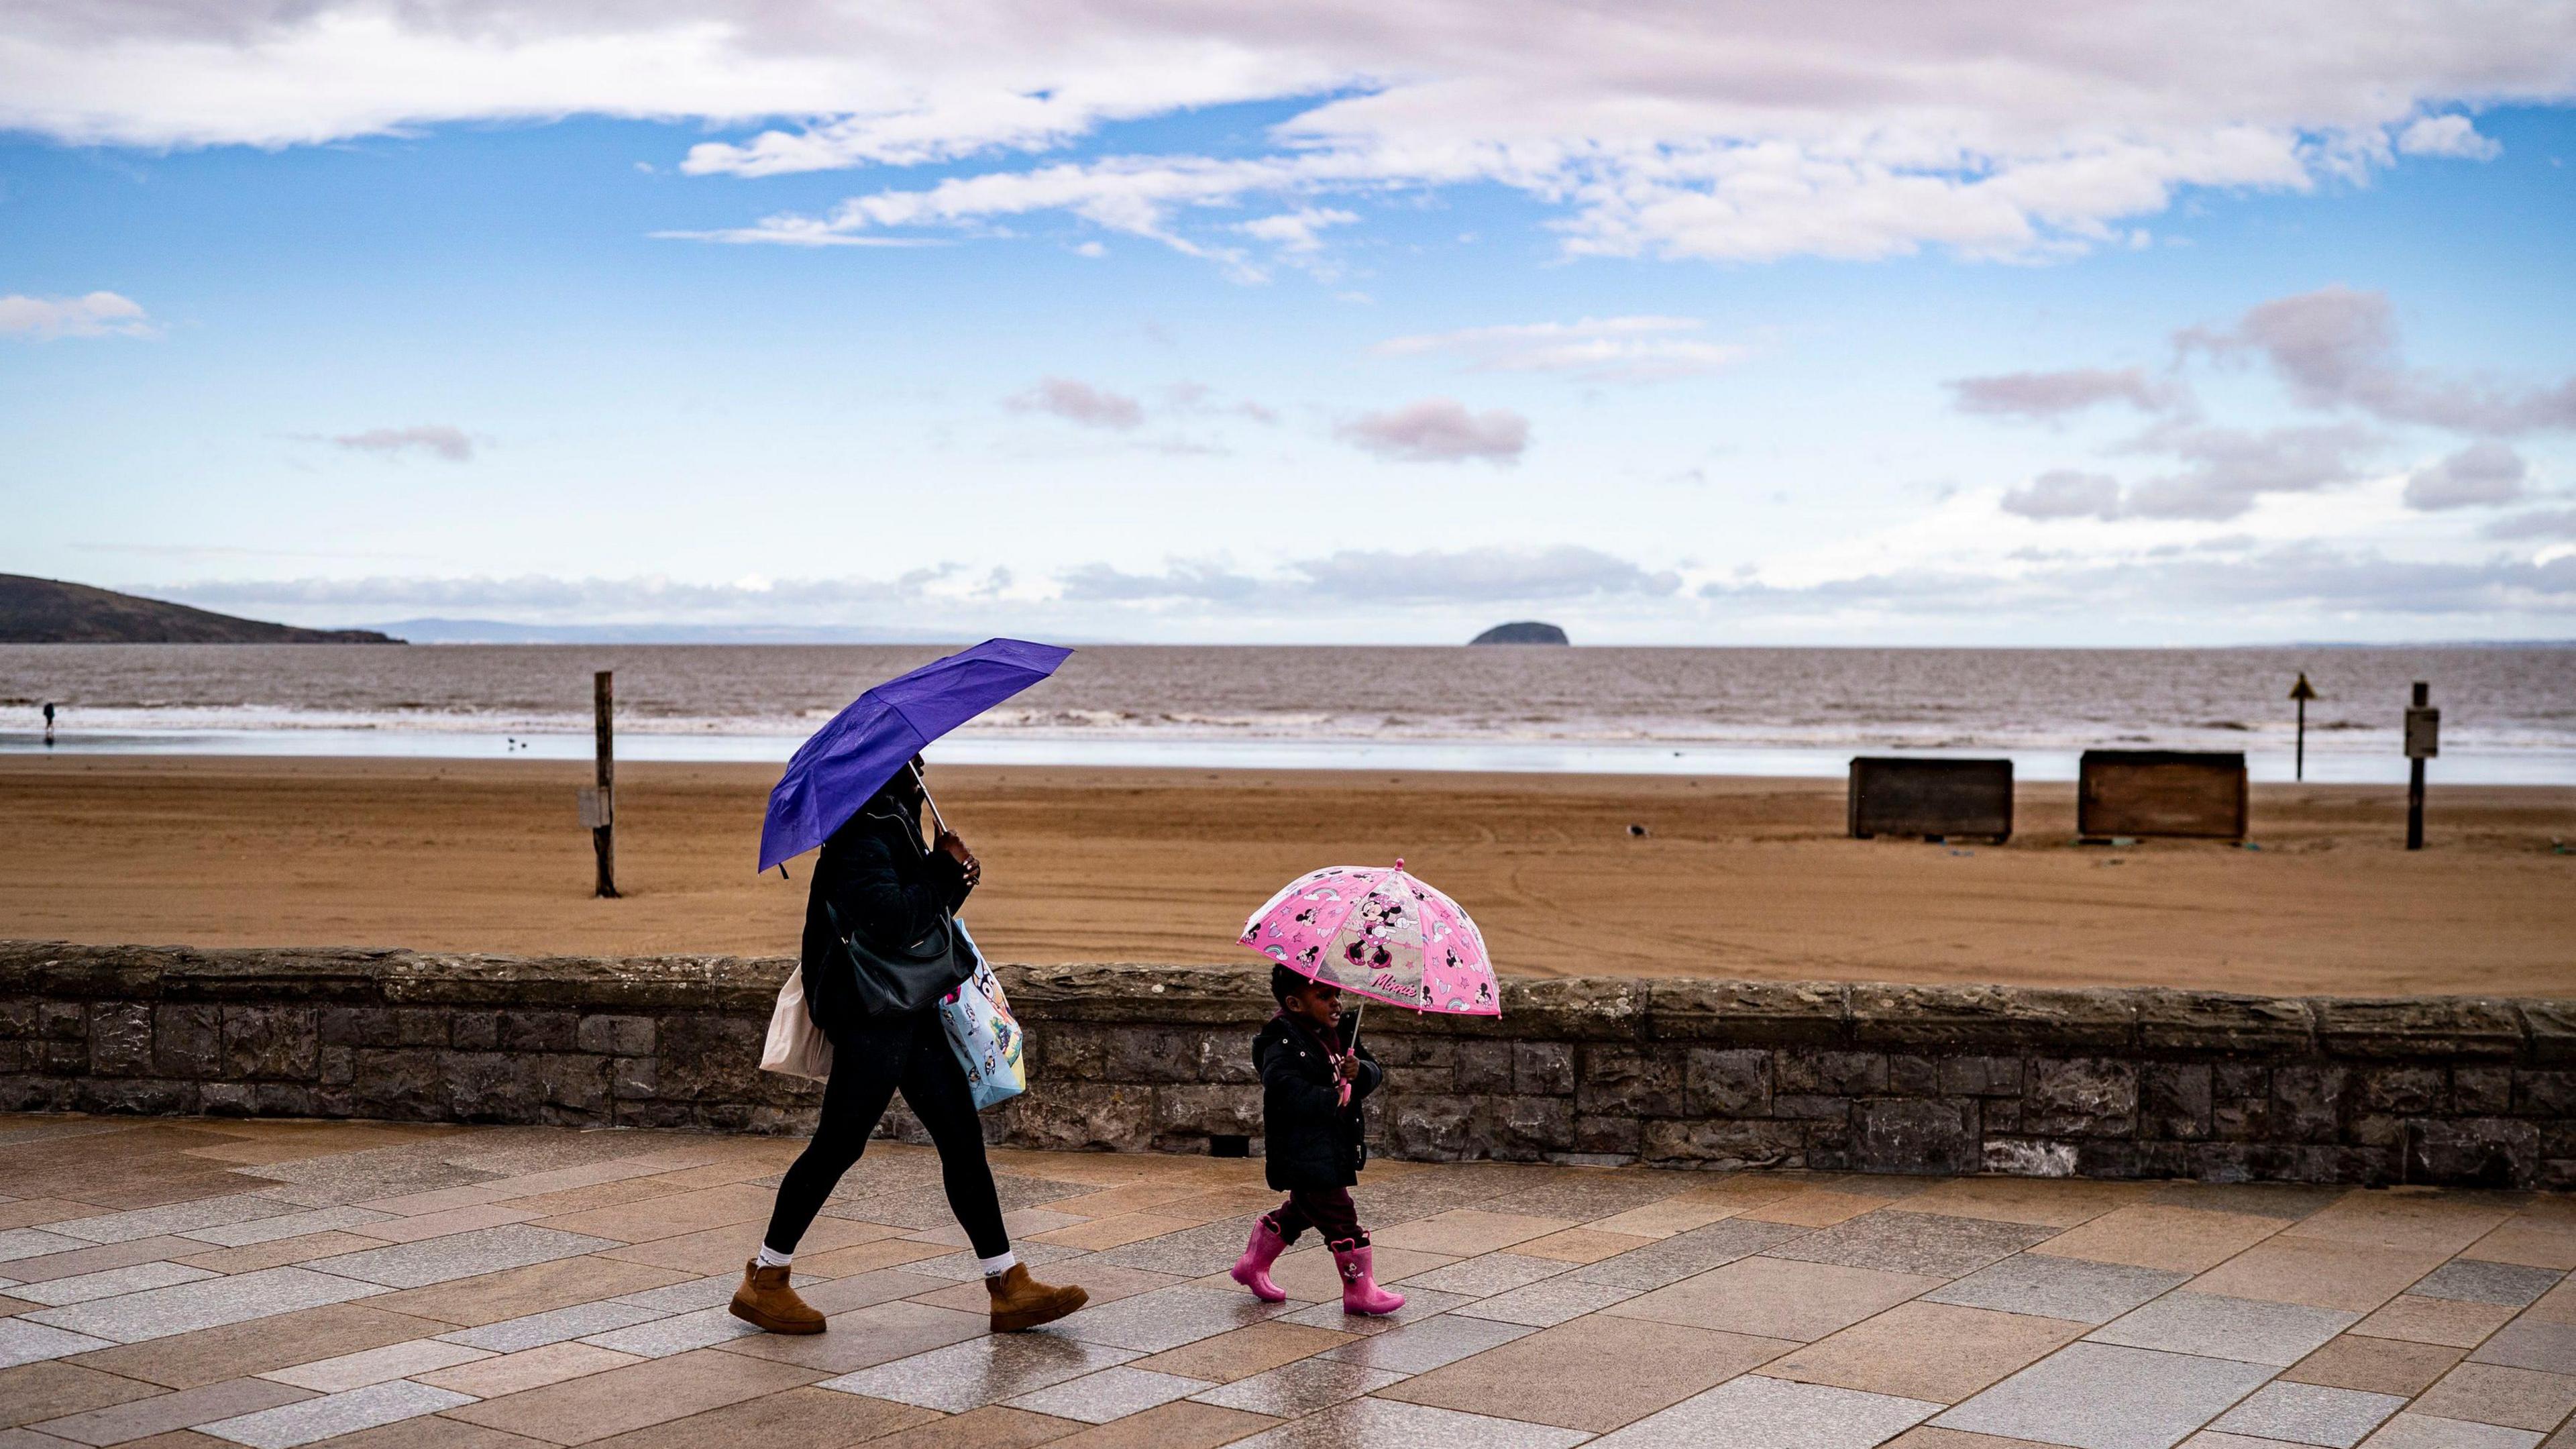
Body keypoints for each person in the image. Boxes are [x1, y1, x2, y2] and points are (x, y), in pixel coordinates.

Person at [731, 756, 1086, 1336]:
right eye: (912, 753)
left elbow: (917, 919)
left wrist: (954, 876)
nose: (923, 760)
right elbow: (894, 921)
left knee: (959, 1138)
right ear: (885, 761)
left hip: (904, 1003)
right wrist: (942, 873)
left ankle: (1007, 1285)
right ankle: (766, 1279)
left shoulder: (890, 814)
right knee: (839, 1144)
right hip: (872, 1010)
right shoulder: (859, 832)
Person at [1230, 966, 1403, 1315]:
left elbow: (1372, 1071)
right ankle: (1359, 1291)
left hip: (1334, 1144)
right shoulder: (1283, 1041)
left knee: (1302, 1210)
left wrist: (1361, 1072)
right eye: (1323, 997)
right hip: (1302, 1149)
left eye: (1336, 995)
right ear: (1295, 1003)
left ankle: (1253, 1264)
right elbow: (1282, 1090)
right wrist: (1329, 1097)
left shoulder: (1341, 1034)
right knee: (1340, 1216)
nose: (1336, 1003)